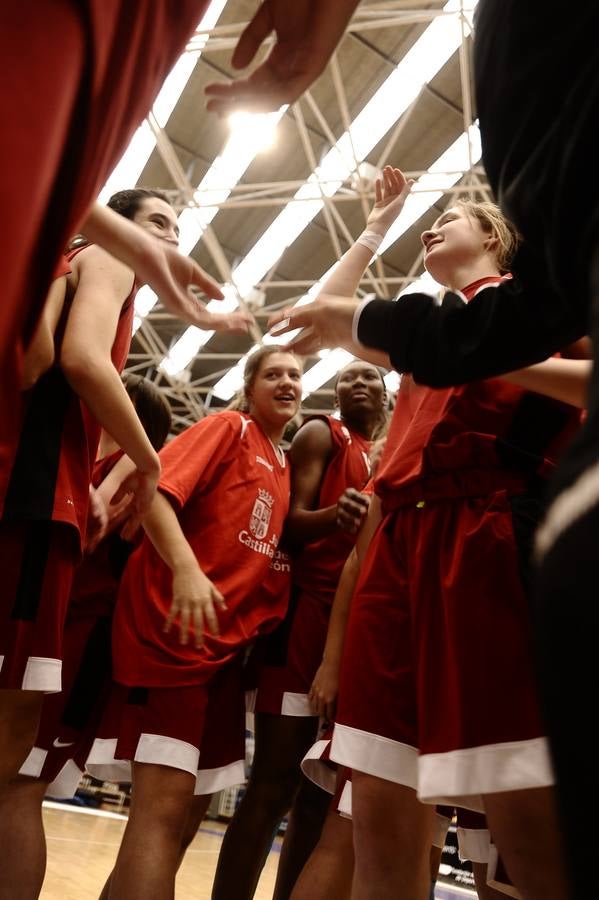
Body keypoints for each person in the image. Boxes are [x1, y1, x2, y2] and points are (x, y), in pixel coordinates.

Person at [274, 169, 587, 900]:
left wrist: (512, 362)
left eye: (454, 216)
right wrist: (380, 222)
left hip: (490, 529)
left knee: (521, 818)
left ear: (496, 238)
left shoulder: (533, 309)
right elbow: (324, 312)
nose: (434, 226)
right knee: (378, 804)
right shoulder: (431, 328)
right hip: (398, 550)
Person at [85, 346, 301, 899]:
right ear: (249, 386)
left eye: (295, 374)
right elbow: (154, 493)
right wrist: (184, 569)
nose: (286, 381)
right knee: (158, 817)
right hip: (174, 636)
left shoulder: (283, 468)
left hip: (222, 657)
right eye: (272, 373)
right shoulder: (229, 427)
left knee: (179, 824)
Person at [0, 188, 185, 786]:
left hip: (40, 492)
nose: (171, 239)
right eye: (158, 222)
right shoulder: (109, 256)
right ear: (118, 225)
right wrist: (149, 461)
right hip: (31, 498)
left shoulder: (69, 262)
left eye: (179, 231)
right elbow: (81, 359)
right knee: (13, 731)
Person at [212, 361, 387, 900]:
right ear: (334, 392)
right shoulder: (322, 433)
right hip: (303, 619)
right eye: (348, 377)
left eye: (370, 378)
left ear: (388, 393)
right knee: (274, 782)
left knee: (318, 791)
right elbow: (290, 521)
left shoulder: (383, 456)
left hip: (353, 628)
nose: (358, 383)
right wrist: (339, 515)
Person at [0, 374, 171, 900]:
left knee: (20, 788)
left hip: (77, 650)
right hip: (57, 641)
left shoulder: (128, 483)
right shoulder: (96, 470)